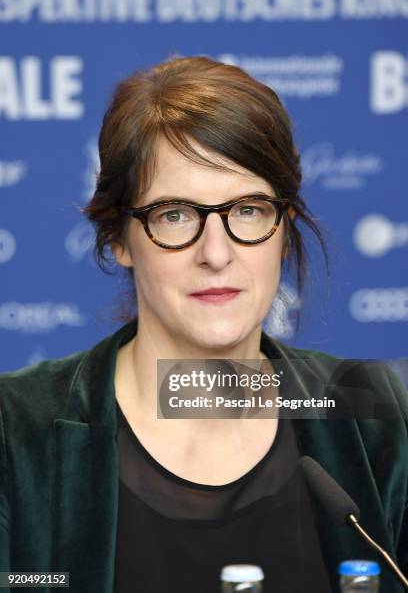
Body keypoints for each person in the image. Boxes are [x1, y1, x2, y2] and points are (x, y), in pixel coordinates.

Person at [0, 55, 407, 593]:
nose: (216, 253)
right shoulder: (15, 427)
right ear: (119, 237)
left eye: (247, 210)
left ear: (283, 227)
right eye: (174, 214)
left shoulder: (370, 411)